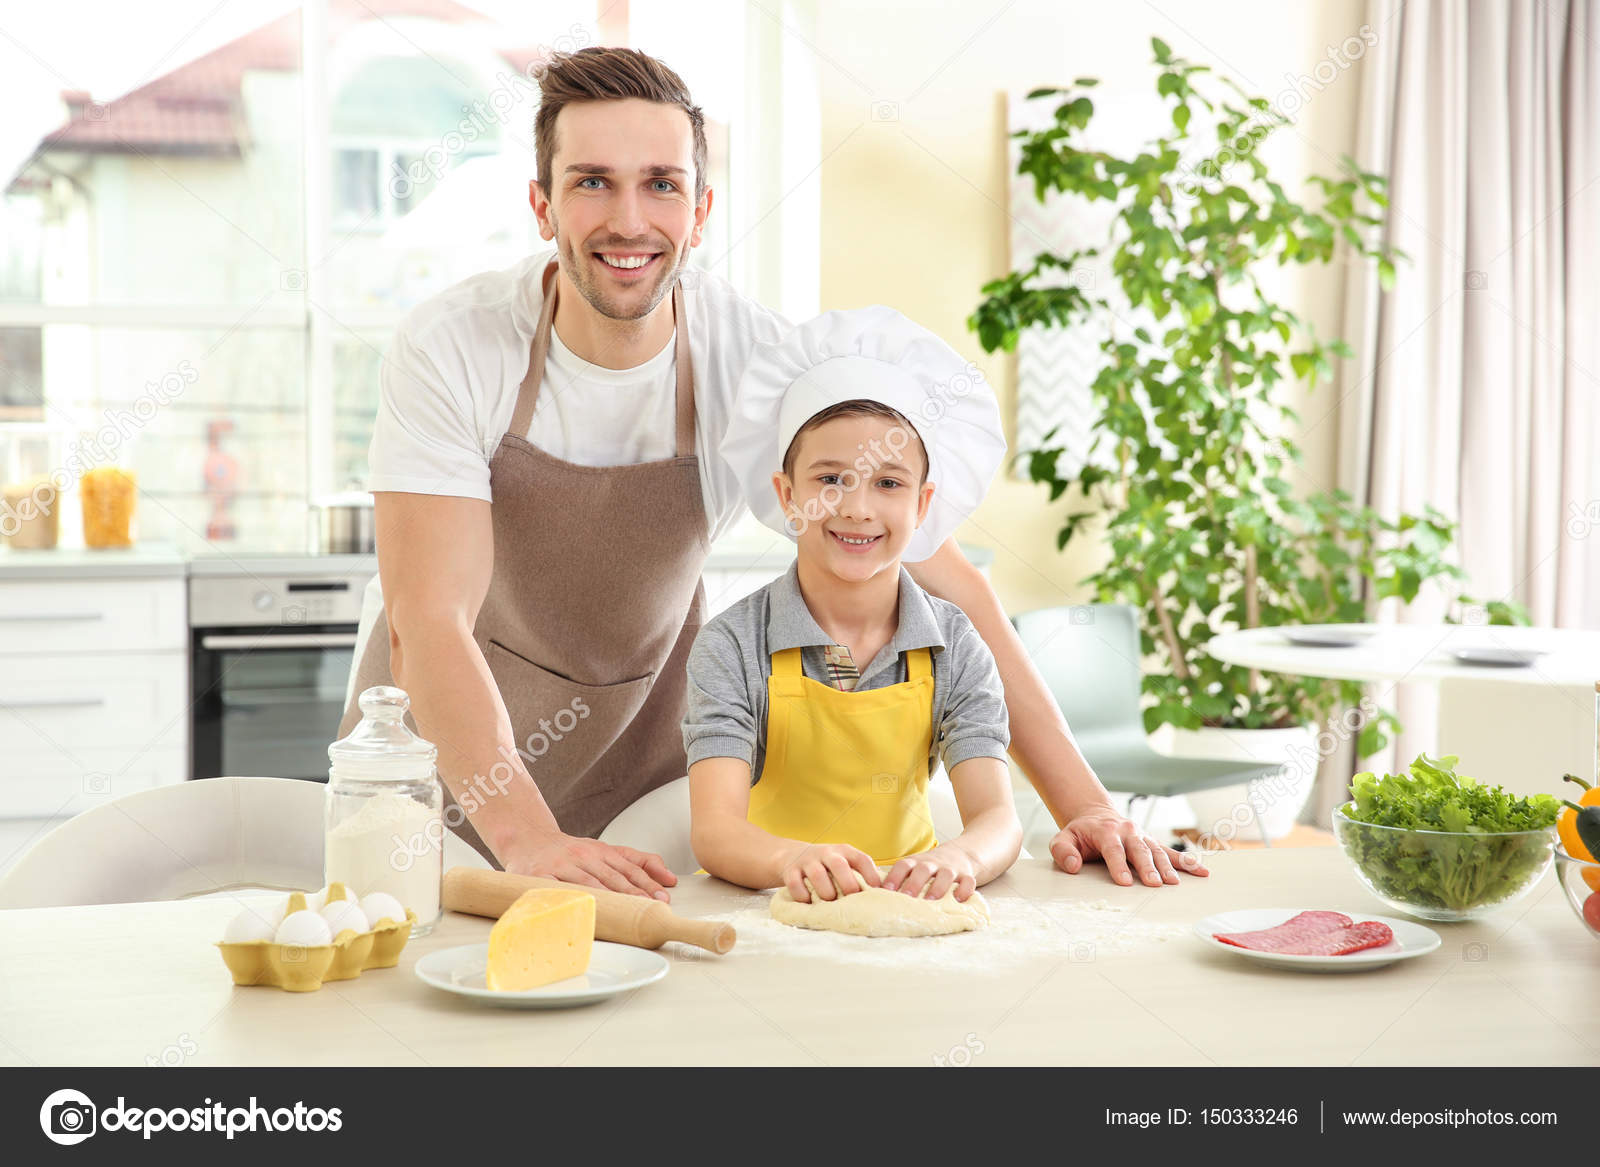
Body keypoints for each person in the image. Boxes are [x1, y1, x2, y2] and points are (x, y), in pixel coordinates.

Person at [344, 45, 1206, 901]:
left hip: (635, 787)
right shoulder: (454, 346)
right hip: (436, 786)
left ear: (701, 210)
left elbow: (948, 584)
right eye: (592, 182)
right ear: (543, 205)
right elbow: (430, 621)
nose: (629, 220)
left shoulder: (752, 364)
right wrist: (528, 838)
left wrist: (1087, 806)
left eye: (662, 184)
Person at [687, 308, 1021, 904]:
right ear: (788, 495)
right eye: (830, 479)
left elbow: (998, 819)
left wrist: (960, 857)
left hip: (910, 911)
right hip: (771, 911)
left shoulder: (956, 645)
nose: (857, 508)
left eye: (888, 483)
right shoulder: (732, 646)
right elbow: (715, 832)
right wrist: (791, 860)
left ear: (923, 505)